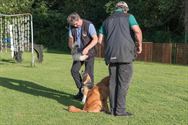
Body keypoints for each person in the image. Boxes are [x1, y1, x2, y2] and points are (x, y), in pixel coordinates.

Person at [98, 1, 142, 116]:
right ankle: (120, 111)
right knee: (123, 83)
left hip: (111, 55)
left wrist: (109, 48)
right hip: (125, 54)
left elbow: (100, 40)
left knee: (113, 82)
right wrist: (139, 45)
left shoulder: (106, 20)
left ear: (115, 9)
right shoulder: (129, 17)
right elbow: (137, 31)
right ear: (125, 9)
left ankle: (113, 110)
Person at [67, 12, 98, 100]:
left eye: (76, 24)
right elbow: (70, 41)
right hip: (78, 52)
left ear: (79, 19)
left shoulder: (89, 25)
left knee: (88, 74)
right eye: (73, 25)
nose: (75, 26)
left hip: (89, 52)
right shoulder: (71, 27)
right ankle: (81, 90)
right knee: (74, 71)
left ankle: (89, 95)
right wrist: (73, 51)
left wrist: (87, 48)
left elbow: (95, 39)